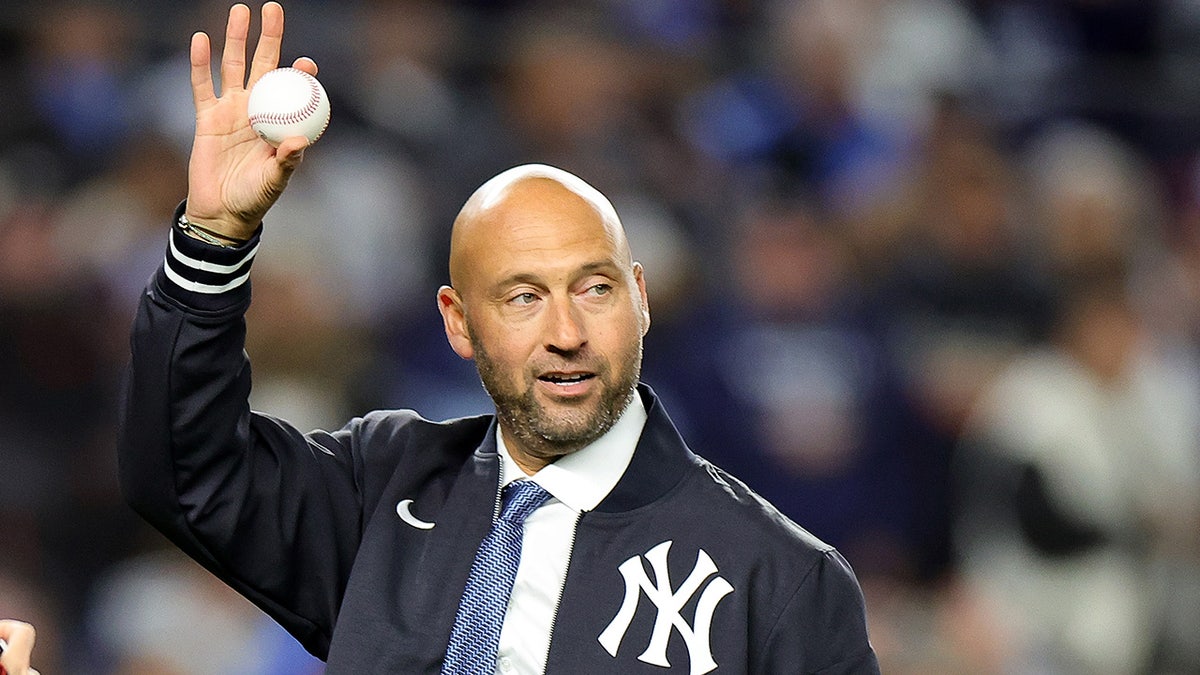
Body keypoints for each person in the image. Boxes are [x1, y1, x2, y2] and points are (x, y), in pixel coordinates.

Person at [117, 3, 880, 673]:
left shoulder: (777, 581)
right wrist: (214, 238)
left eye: (595, 288)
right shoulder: (381, 487)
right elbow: (182, 469)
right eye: (523, 297)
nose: (566, 332)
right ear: (459, 323)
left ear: (640, 299)